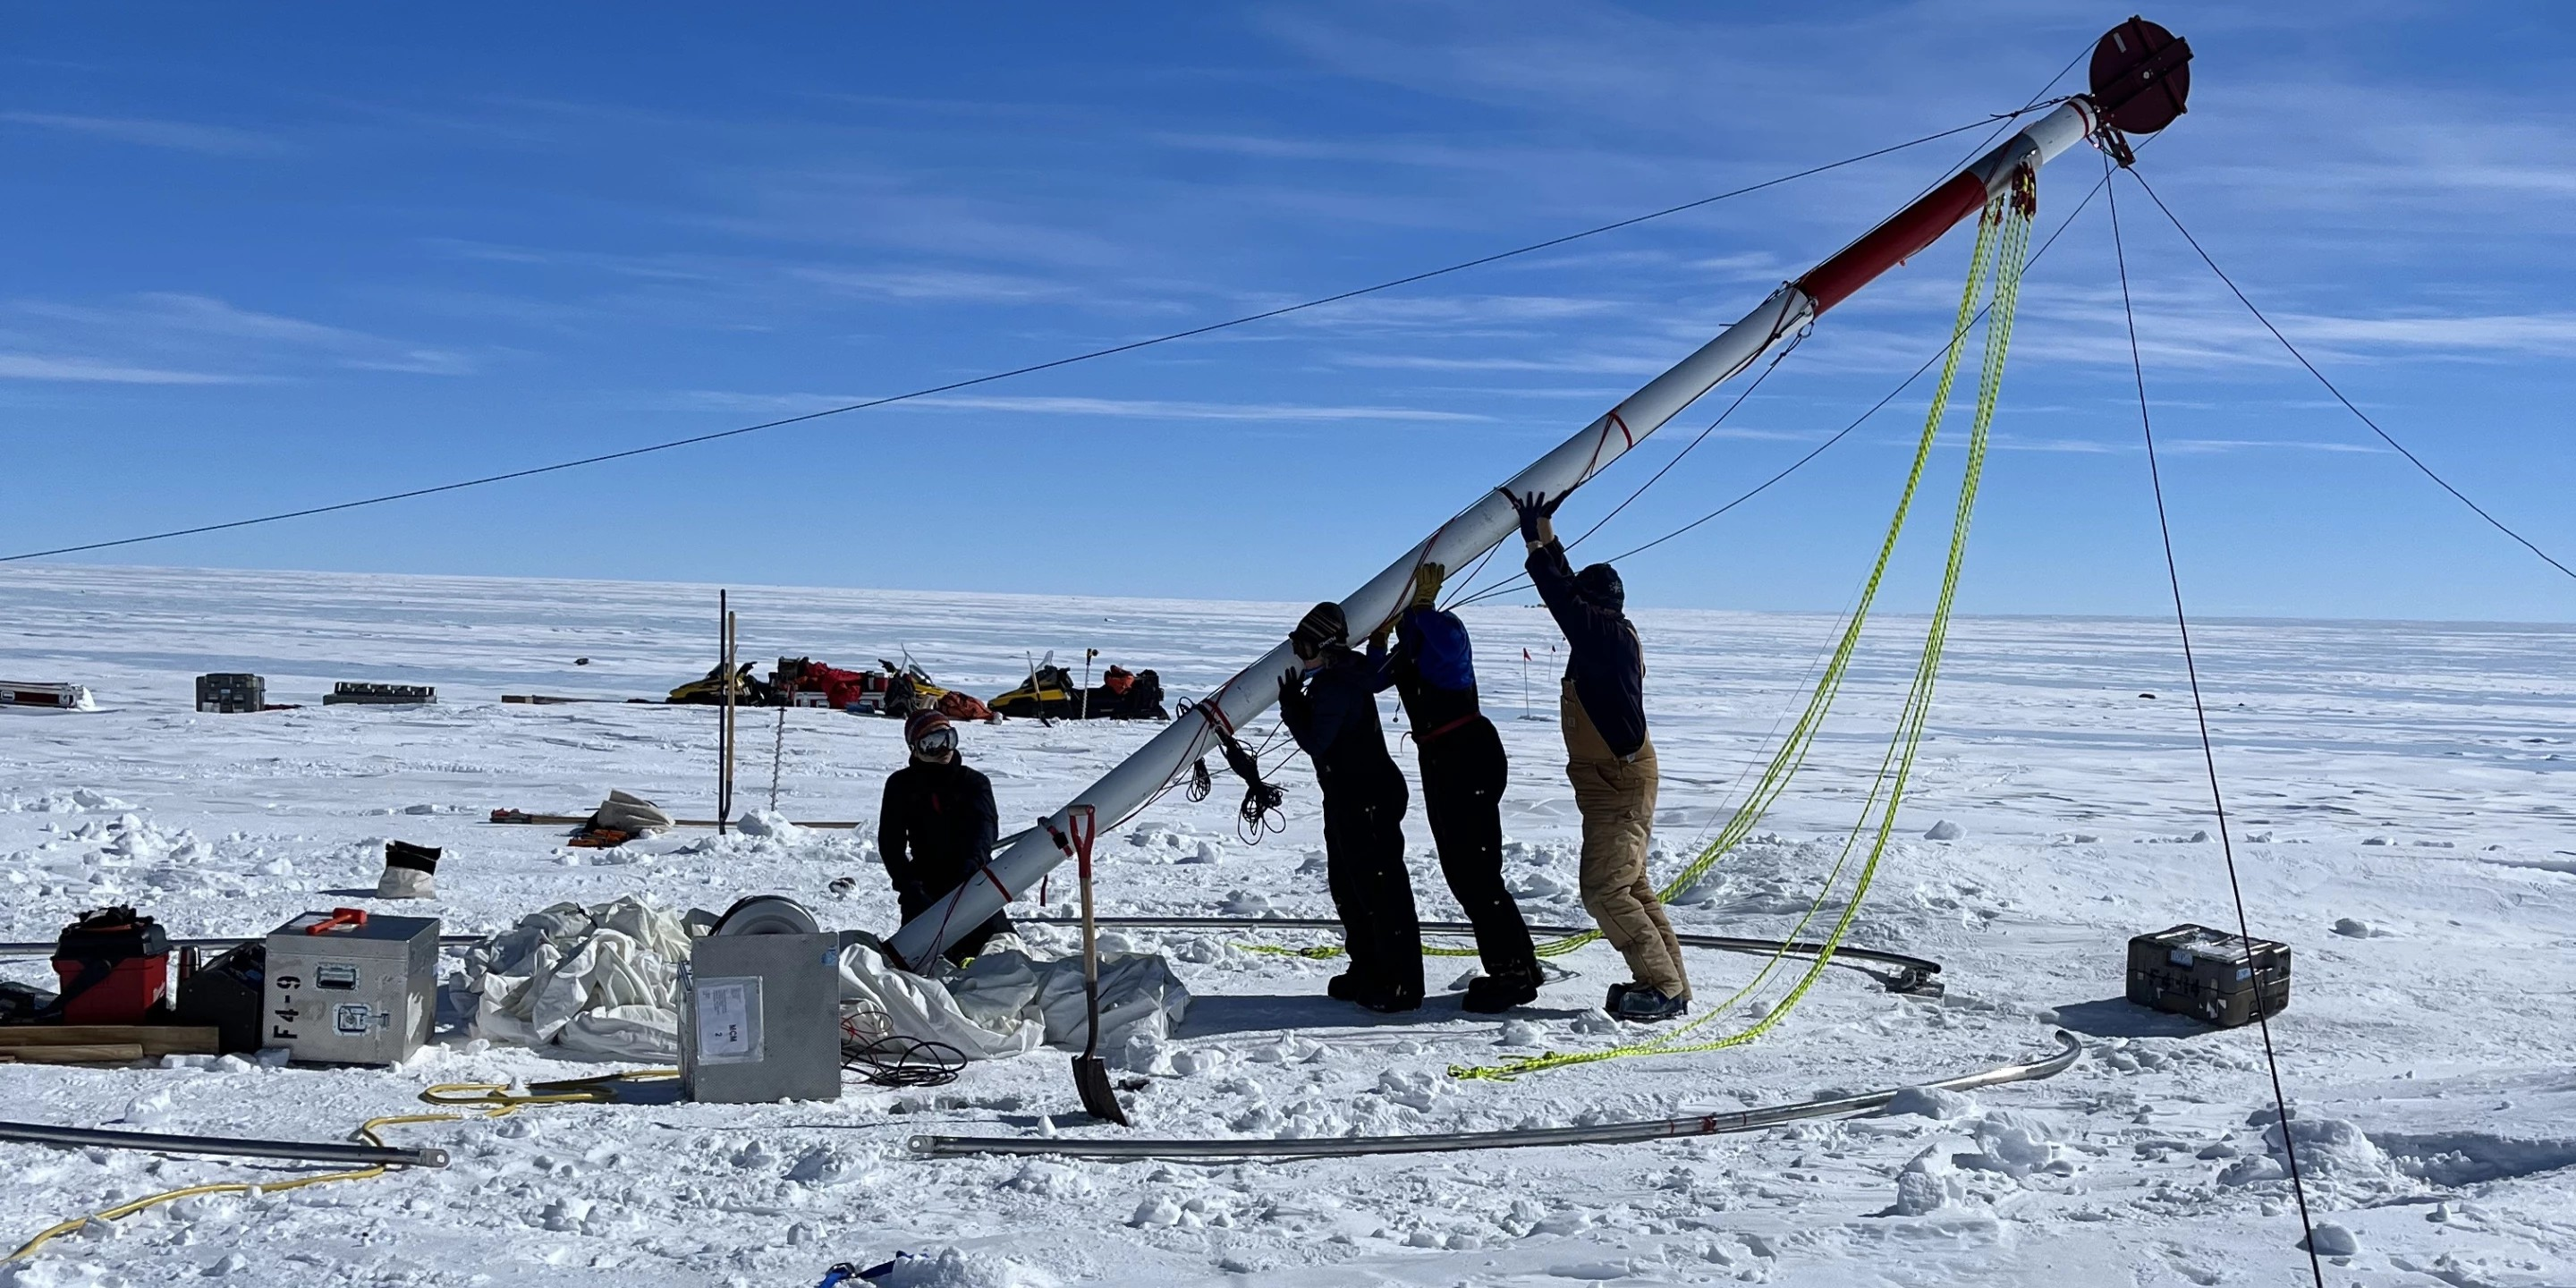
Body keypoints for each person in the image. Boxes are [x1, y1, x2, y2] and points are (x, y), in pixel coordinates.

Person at [1503, 488, 1691, 1021]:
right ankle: (1670, 985)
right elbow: (1569, 592)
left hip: (1619, 782)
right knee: (1630, 886)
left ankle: (1660, 987)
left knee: (1605, 891)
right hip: (1615, 781)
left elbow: (1563, 598)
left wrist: (1535, 544)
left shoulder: (1604, 638)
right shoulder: (1605, 633)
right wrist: (1545, 533)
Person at [1366, 562, 1543, 1013]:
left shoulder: (1444, 633)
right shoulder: (1412, 649)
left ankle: (1513, 974)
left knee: (1475, 871)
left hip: (1467, 758)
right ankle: (1518, 963)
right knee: (1464, 870)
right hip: (1443, 761)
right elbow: (1374, 678)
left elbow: (1448, 643)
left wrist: (1423, 610)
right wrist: (1379, 639)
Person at [1276, 600, 1424, 1012]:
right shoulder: (1341, 676)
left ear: (1325, 648)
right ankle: (1369, 968)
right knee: (1349, 887)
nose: (1300, 656)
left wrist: (1292, 707)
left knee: (1380, 891)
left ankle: (1400, 984)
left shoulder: (1337, 685)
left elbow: (1316, 741)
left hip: (1366, 797)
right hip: (1348, 796)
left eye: (1305, 647)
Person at [877, 708, 1010, 965]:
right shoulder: (901, 786)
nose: (944, 749)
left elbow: (985, 832)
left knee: (998, 957)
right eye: (932, 743)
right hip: (924, 885)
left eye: (949, 738)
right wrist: (908, 886)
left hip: (973, 882)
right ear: (915, 749)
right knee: (917, 962)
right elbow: (890, 843)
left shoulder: (974, 783)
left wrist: (970, 872)